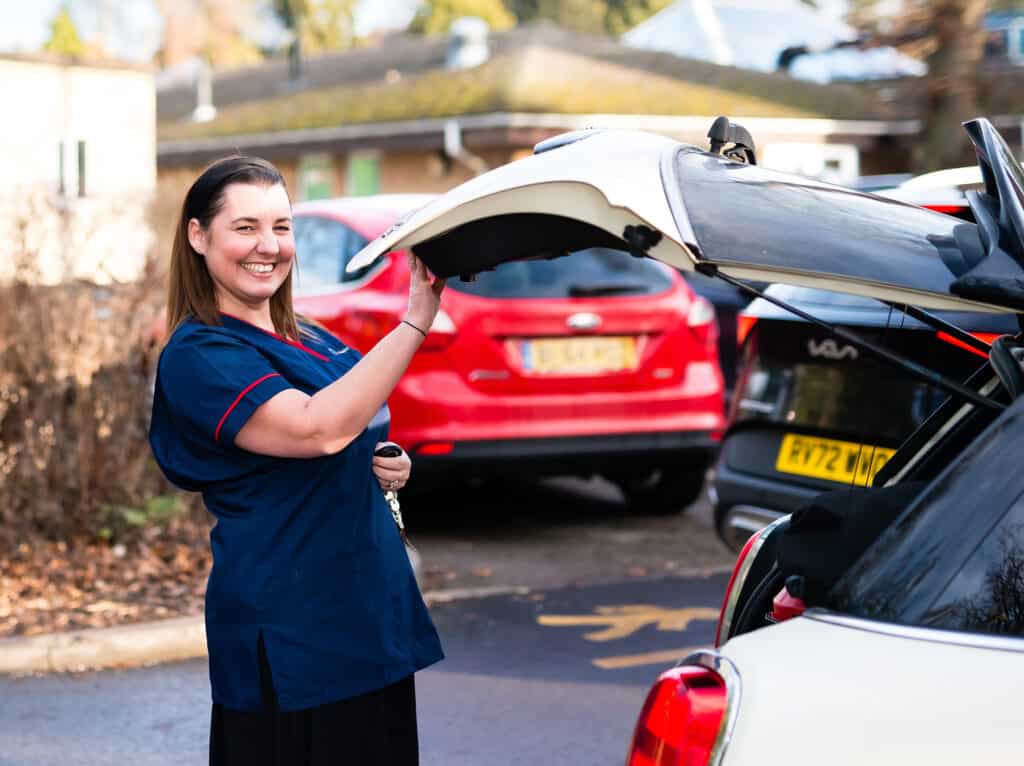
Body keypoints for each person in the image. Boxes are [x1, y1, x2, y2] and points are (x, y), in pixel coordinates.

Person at [148, 155, 445, 766]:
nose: (269, 246)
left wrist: (383, 459)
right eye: (246, 227)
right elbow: (318, 430)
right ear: (198, 236)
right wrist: (415, 320)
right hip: (295, 636)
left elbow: (352, 425)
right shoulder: (200, 352)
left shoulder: (307, 334)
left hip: (368, 618)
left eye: (281, 227)